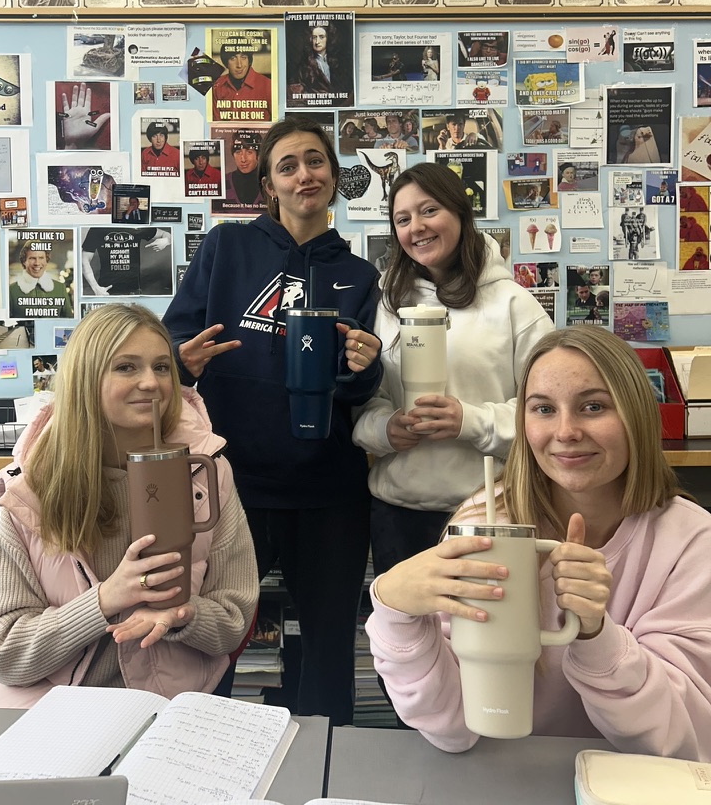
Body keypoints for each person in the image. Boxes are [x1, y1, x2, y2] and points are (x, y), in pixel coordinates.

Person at [365, 326, 711, 760]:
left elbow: (684, 739)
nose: (565, 431)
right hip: (502, 775)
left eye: (593, 406)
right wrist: (396, 612)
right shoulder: (483, 522)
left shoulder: (692, 543)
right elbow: (453, 728)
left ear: (636, 414)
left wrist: (596, 635)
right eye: (544, 408)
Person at [162, 116, 383, 726]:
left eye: (315, 161)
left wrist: (366, 367)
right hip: (233, 490)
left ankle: (326, 766)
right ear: (269, 185)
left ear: (335, 177)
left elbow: (360, 387)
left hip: (328, 495)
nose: (303, 174)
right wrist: (182, 362)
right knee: (214, 642)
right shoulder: (227, 247)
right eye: (287, 165)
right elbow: (173, 347)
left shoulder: (361, 275)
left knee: (330, 646)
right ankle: (197, 763)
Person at [0, 304, 258, 707]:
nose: (151, 383)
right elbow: (5, 654)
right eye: (126, 367)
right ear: (85, 380)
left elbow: (234, 621)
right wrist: (106, 599)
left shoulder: (207, 470)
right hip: (48, 711)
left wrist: (183, 614)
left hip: (164, 706)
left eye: (161, 367)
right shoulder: (31, 484)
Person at [352, 163, 553, 602]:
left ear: (460, 213)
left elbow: (550, 414)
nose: (416, 228)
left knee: (484, 651)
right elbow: (365, 403)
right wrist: (386, 429)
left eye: (429, 211)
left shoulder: (514, 305)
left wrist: (470, 421)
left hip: (490, 513)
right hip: (398, 514)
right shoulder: (387, 301)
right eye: (402, 220)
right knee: (406, 657)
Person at [81, 227, 171, 296]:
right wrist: (95, 287)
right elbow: (84, 259)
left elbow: (166, 234)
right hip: (107, 291)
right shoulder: (97, 230)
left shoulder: (136, 226)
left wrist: (166, 241)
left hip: (133, 292)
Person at [9, 244, 73, 319]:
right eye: (32, 258)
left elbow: (68, 321)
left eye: (41, 258)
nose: (37, 263)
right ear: (24, 262)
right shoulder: (12, 290)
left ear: (46, 261)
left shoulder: (60, 288)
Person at [289, 22, 350, 97]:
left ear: (328, 38)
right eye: (314, 37)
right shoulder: (304, 67)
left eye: (321, 37)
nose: (317, 42)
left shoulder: (338, 64)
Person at [212, 46, 272, 120]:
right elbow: (216, 126)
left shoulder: (267, 85)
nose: (239, 65)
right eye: (232, 58)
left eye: (243, 57)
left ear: (249, 60)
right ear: (226, 62)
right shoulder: (217, 85)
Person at [226, 132, 265, 207]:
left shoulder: (269, 182)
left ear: (258, 154)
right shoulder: (223, 182)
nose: (243, 159)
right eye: (238, 152)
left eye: (249, 152)